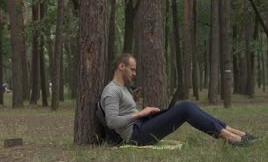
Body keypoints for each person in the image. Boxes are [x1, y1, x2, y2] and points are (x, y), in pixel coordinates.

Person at [99, 53, 258, 146]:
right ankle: (230, 138)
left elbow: (124, 111)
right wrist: (140, 114)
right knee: (186, 108)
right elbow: (112, 122)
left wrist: (147, 113)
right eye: (132, 69)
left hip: (141, 126)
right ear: (121, 67)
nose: (134, 73)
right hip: (135, 136)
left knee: (189, 106)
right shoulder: (111, 90)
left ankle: (237, 133)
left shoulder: (123, 89)